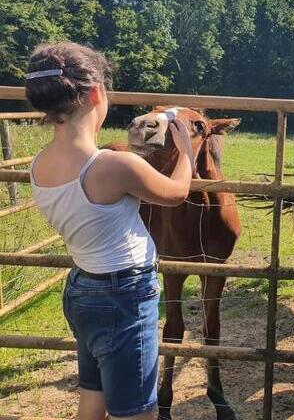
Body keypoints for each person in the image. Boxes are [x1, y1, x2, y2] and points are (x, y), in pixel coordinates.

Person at [25, 42, 195, 420]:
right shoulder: (112, 166)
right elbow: (177, 194)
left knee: (93, 393)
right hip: (125, 295)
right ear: (96, 93)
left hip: (82, 289)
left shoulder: (39, 165)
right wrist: (186, 150)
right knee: (136, 412)